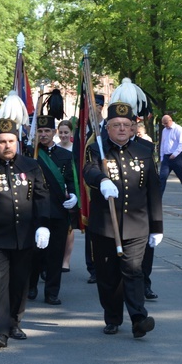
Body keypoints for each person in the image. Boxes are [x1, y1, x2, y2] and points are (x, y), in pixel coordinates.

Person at [0, 118, 51, 349]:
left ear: (18, 142)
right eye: (2, 141)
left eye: (11, 141)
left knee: (20, 283)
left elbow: (42, 197)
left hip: (24, 237)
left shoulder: (31, 166)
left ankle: (14, 322)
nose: (7, 146)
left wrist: (43, 225)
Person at [84, 102, 163, 338]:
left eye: (125, 125)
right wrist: (101, 180)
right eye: (115, 125)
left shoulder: (145, 150)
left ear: (133, 128)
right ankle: (112, 317)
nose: (120, 129)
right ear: (107, 128)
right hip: (105, 226)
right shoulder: (97, 148)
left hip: (137, 224)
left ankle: (139, 318)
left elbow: (153, 191)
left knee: (133, 270)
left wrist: (157, 227)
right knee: (108, 277)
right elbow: (88, 170)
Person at [26, 115, 77, 305]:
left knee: (56, 254)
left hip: (58, 211)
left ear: (54, 133)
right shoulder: (29, 155)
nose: (44, 134)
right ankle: (31, 286)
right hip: (35, 211)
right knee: (34, 253)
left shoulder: (65, 155)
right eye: (40, 131)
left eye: (47, 131)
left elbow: (72, 181)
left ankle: (52, 292)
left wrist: (73, 196)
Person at [74, 93, 106, 284]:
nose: (94, 110)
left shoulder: (107, 130)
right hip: (86, 186)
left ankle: (105, 265)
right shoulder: (82, 132)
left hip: (106, 183)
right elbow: (76, 158)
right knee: (90, 228)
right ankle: (93, 268)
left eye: (97, 107)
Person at [131, 117, 159, 300]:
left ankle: (145, 284)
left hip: (143, 208)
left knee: (147, 252)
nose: (127, 128)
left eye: (131, 124)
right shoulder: (107, 147)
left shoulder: (146, 147)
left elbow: (153, 180)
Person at [159, 114, 182, 206]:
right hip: (166, 157)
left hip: (176, 157)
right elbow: (163, 144)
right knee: (162, 177)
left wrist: (174, 154)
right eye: (163, 124)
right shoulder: (164, 130)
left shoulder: (178, 129)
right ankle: (158, 199)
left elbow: (181, 144)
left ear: (170, 120)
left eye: (166, 123)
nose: (165, 125)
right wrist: (162, 157)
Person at [57, 119, 77, 272]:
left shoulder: (75, 150)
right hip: (57, 192)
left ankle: (66, 260)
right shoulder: (54, 149)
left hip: (70, 192)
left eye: (66, 132)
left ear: (71, 133)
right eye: (61, 132)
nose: (63, 135)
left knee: (69, 227)